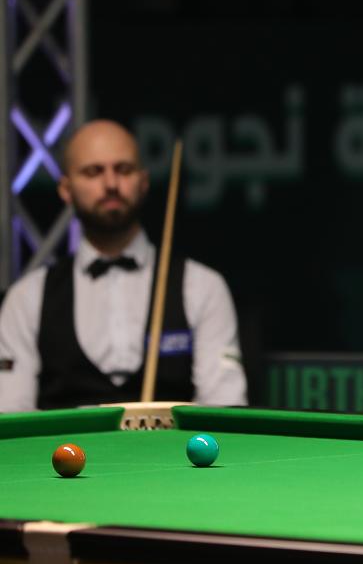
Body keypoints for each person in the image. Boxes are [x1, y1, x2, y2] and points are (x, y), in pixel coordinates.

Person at [0, 119, 247, 411]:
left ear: (143, 182)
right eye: (93, 172)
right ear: (66, 189)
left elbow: (224, 408)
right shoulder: (27, 299)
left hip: (172, 444)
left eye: (124, 170)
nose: (111, 184)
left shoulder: (202, 287)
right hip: (66, 444)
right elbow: (11, 417)